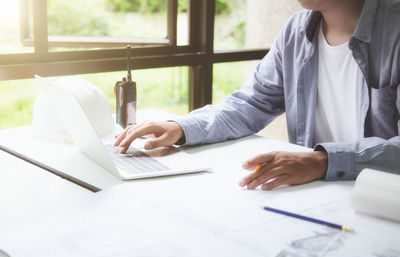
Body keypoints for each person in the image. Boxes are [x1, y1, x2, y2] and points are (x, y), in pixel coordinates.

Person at [114, 0, 400, 190]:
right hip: (317, 196)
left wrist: (323, 161)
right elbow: (251, 103)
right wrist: (181, 127)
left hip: (382, 201)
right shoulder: (296, 32)